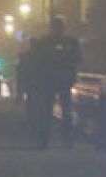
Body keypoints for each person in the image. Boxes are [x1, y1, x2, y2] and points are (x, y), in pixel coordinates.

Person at [32, 15, 82, 148]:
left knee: (47, 111)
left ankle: (44, 139)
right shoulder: (71, 42)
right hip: (63, 79)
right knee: (65, 110)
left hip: (49, 80)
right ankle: (66, 139)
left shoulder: (44, 42)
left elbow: (37, 61)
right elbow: (77, 58)